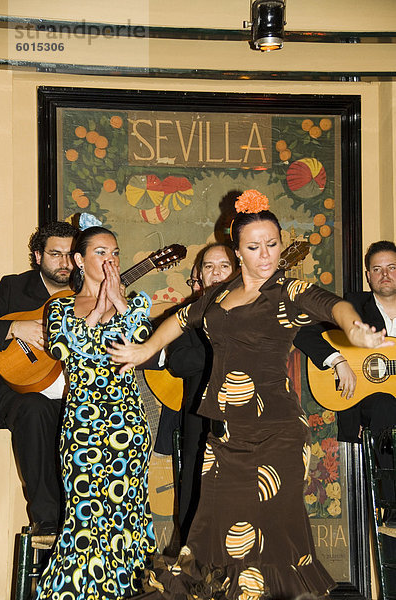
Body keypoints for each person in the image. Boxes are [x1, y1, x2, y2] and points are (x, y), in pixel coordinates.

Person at [108, 190, 390, 599]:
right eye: (254, 247)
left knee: (269, 534)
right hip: (224, 435)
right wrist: (144, 349)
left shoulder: (288, 293)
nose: (265, 255)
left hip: (276, 433)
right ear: (238, 251)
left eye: (272, 245)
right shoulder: (220, 295)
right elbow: (182, 318)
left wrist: (356, 329)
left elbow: (332, 306)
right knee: (208, 528)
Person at [35, 226, 156, 600]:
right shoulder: (61, 307)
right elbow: (63, 351)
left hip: (129, 423)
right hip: (83, 425)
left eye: (115, 252)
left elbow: (143, 347)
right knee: (84, 517)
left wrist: (118, 305)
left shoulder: (136, 304)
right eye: (101, 252)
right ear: (79, 260)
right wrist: (95, 314)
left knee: (127, 517)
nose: (110, 260)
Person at [294, 240, 396, 525]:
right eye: (377, 269)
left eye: (392, 268)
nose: (385, 275)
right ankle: (392, 504)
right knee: (386, 405)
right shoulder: (352, 307)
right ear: (368, 275)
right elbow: (304, 333)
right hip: (363, 404)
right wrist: (337, 360)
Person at [0, 221, 78, 535]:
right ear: (37, 256)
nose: (64, 263)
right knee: (34, 408)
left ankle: (86, 520)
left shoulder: (89, 294)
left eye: (71, 255)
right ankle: (47, 521)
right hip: (12, 388)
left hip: (68, 388)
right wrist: (13, 328)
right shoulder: (13, 287)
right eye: (55, 254)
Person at [157, 244, 237, 544]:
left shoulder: (257, 313)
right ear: (199, 276)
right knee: (194, 487)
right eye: (208, 266)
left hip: (250, 416)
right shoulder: (184, 316)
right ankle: (193, 560)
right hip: (201, 418)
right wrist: (227, 352)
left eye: (224, 266)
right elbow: (178, 363)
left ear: (237, 272)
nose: (216, 272)